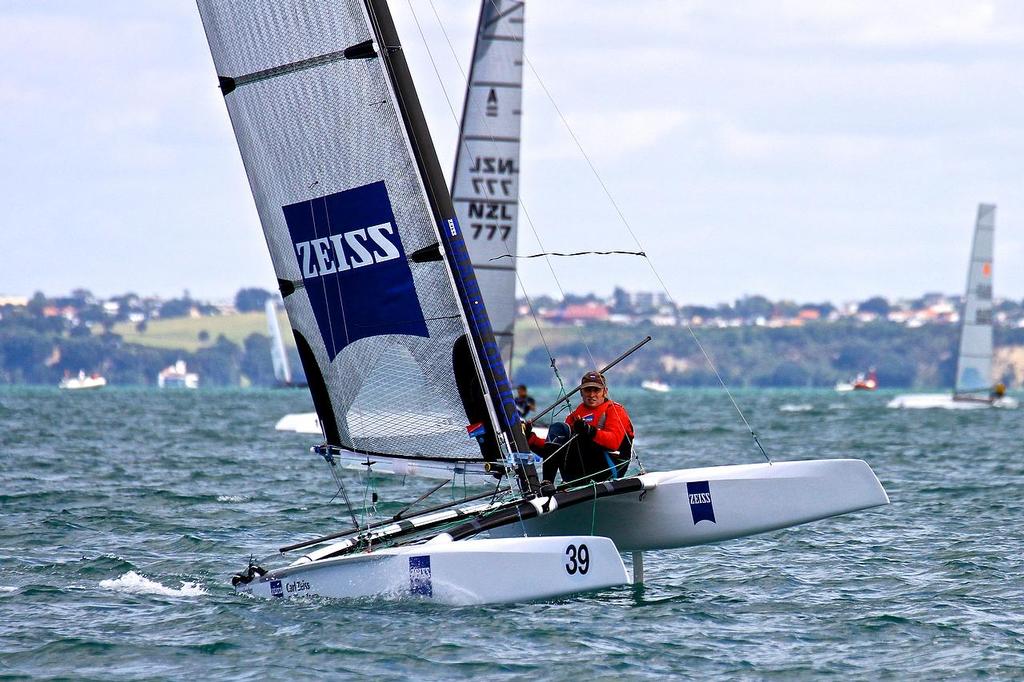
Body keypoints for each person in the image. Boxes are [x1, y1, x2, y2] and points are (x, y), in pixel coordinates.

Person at [527, 370, 634, 486]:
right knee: (558, 428)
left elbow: (613, 443)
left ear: (605, 392)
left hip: (608, 469)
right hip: (578, 472)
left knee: (578, 436)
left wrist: (588, 430)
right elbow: (554, 451)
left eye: (596, 390)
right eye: (588, 390)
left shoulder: (615, 410)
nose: (592, 395)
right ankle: (547, 484)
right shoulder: (574, 416)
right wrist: (530, 439)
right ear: (581, 392)